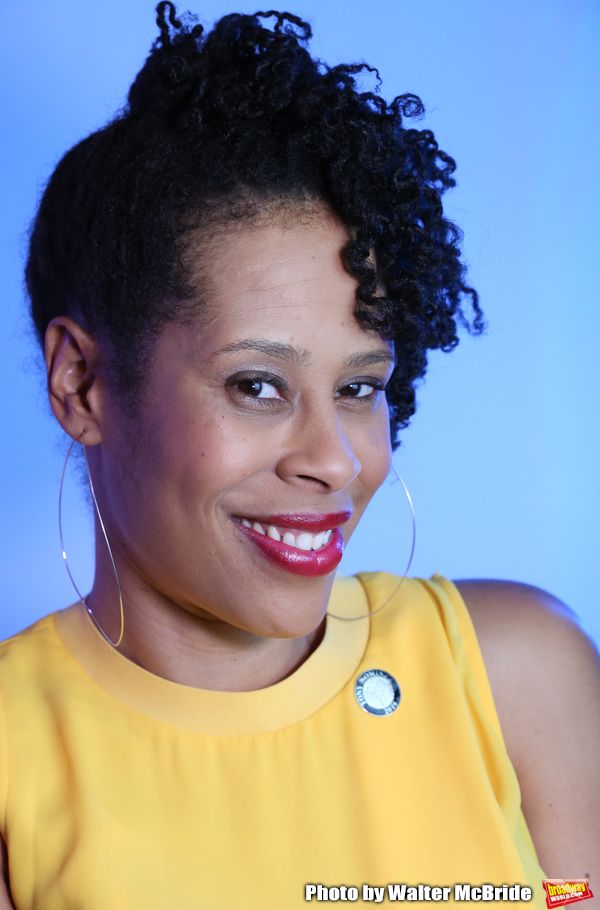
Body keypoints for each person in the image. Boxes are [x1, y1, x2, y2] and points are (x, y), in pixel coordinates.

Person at [1, 3, 598, 907]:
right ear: (82, 384)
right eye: (259, 386)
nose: (335, 461)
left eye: (359, 388)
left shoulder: (521, 675)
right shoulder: (15, 759)